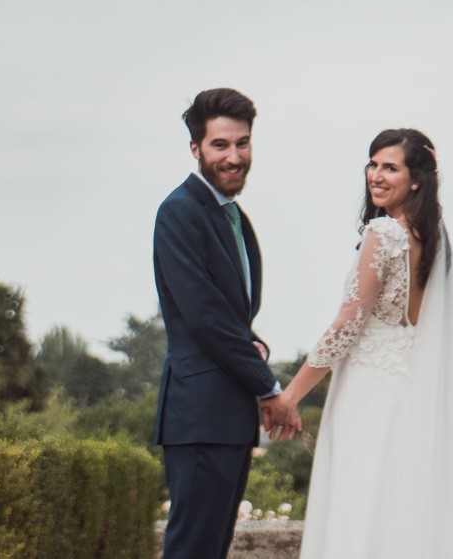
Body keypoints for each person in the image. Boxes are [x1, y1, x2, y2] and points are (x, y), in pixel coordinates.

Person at [274, 128, 453, 558]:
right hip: (412, 390)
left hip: (369, 393)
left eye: (391, 167)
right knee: (407, 507)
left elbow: (348, 324)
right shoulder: (433, 235)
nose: (376, 176)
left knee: (363, 504)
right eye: (373, 164)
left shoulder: (383, 234)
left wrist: (290, 395)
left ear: (416, 179)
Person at [151, 87, 301, 559]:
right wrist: (270, 388)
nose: (234, 157)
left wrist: (252, 343)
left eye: (242, 143)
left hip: (227, 417)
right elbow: (204, 316)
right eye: (220, 145)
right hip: (199, 417)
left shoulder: (234, 217)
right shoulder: (178, 212)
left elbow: (230, 314)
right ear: (195, 149)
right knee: (192, 551)